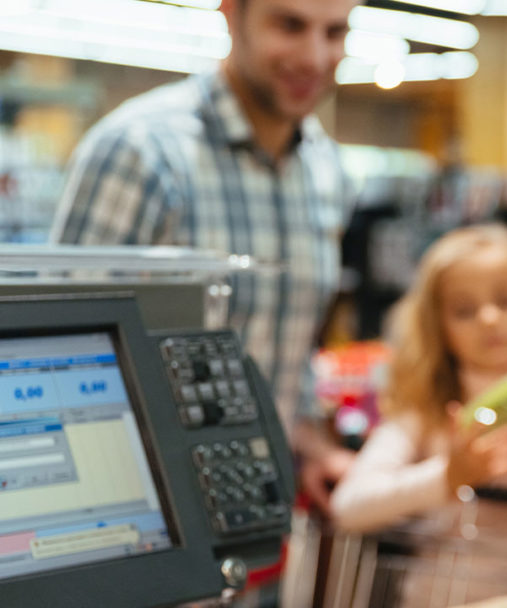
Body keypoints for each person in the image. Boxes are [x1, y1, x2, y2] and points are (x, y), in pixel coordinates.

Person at [49, 0, 358, 513]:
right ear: (231, 13)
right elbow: (59, 348)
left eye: (335, 31)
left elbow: (287, 350)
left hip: (262, 514)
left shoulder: (327, 172)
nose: (314, 56)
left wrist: (311, 444)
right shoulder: (140, 152)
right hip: (146, 526)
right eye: (290, 25)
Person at [329, 224, 507, 533]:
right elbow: (347, 507)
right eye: (464, 310)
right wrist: (448, 476)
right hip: (440, 577)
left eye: (506, 301)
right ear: (437, 327)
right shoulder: (427, 403)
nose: (489, 319)